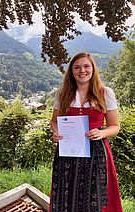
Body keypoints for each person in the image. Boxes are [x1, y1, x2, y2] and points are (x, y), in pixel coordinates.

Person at [49, 52, 122, 212]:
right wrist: (56, 132)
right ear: (72, 71)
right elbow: (54, 121)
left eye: (86, 66)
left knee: (95, 196)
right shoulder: (63, 94)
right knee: (67, 194)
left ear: (93, 69)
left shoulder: (105, 93)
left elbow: (115, 126)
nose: (82, 70)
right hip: (68, 152)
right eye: (77, 67)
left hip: (97, 153)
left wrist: (101, 133)